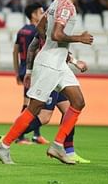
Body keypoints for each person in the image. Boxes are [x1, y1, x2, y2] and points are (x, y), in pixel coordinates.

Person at [0, 0, 94, 165]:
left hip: (58, 62)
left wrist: (55, 49)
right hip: (49, 63)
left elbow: (41, 27)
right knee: (35, 108)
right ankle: (3, 145)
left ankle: (57, 145)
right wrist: (78, 38)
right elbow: (56, 34)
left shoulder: (57, 2)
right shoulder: (67, 6)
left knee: (78, 101)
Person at [19, 18, 90, 163]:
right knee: (44, 117)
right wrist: (29, 71)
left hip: (59, 74)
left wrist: (75, 62)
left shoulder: (55, 28)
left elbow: (60, 51)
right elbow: (36, 48)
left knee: (69, 109)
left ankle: (69, 151)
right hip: (48, 73)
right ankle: (11, 137)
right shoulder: (47, 30)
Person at [12, 2, 48, 144]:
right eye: (40, 12)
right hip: (33, 70)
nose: (43, 14)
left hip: (22, 69)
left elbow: (15, 51)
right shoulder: (36, 31)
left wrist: (16, 73)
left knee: (34, 103)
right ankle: (20, 136)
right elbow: (38, 51)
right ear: (33, 15)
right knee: (30, 104)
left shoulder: (21, 31)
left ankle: (36, 135)